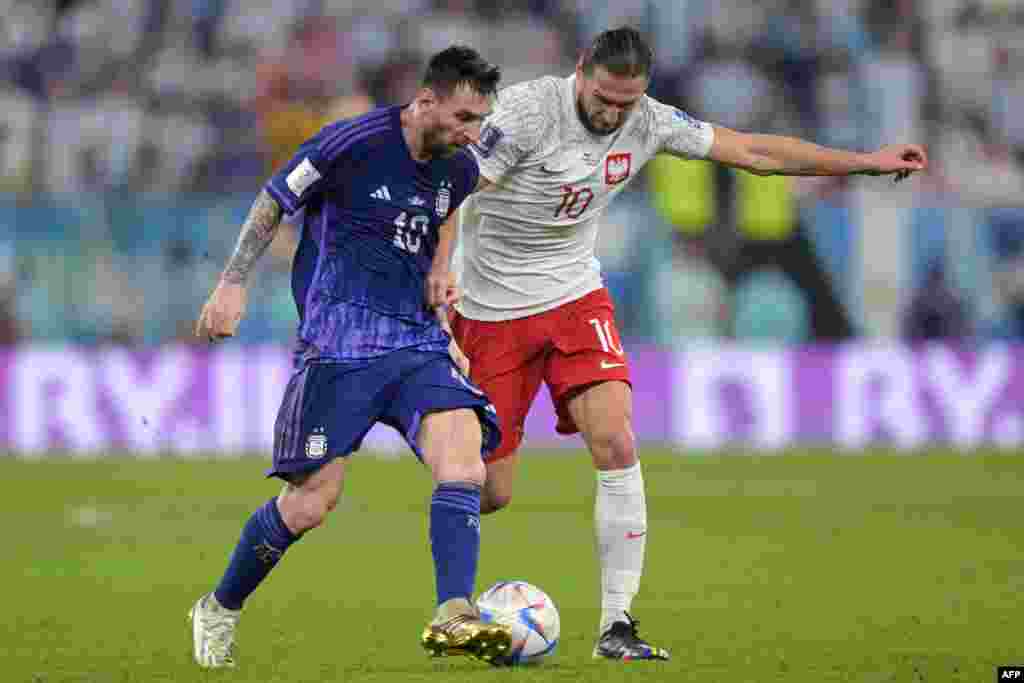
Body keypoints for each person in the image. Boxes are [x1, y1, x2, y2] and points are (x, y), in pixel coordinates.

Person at [425, 27, 928, 662]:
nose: (613, 114)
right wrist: (439, 269)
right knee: (489, 491)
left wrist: (864, 162)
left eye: (626, 103)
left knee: (615, 438)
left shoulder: (651, 122)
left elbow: (754, 152)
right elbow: (451, 191)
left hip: (576, 299)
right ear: (581, 72)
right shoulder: (525, 113)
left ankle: (616, 625)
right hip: (491, 313)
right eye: (604, 98)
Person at [190, 46, 510, 669]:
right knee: (311, 504)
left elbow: (449, 209)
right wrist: (232, 284)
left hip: (416, 343)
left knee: (464, 462)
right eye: (466, 118)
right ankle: (220, 608)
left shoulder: (457, 164)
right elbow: (274, 200)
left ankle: (454, 613)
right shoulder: (350, 143)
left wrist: (442, 271)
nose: (474, 133)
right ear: (425, 103)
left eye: (480, 120)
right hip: (338, 346)